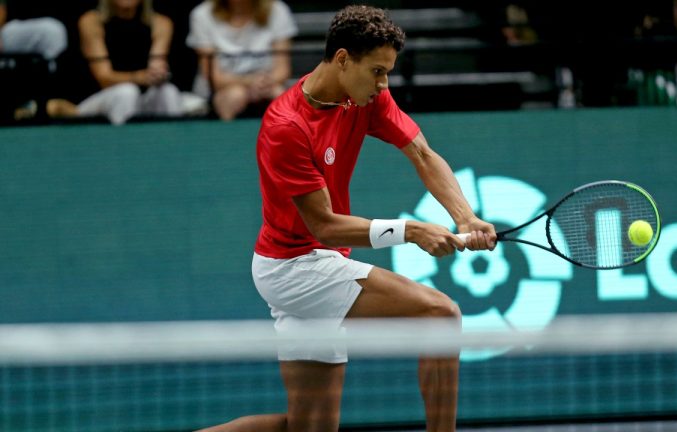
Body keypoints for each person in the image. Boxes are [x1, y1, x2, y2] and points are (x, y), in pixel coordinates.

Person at [197, 5, 496, 432]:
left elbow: (423, 154)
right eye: (377, 71)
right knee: (440, 315)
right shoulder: (287, 126)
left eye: (387, 72)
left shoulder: (365, 98)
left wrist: (465, 217)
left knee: (309, 426)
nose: (383, 83)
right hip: (296, 266)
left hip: (310, 262)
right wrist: (410, 231)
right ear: (342, 59)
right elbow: (324, 225)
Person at [48, 0, 182, 125]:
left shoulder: (161, 23)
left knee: (168, 91)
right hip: (96, 101)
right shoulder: (91, 21)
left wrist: (159, 74)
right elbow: (104, 78)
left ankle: (173, 145)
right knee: (126, 92)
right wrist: (140, 77)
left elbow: (156, 66)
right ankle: (124, 147)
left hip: (141, 101)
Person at [186, 0, 297, 120]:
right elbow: (214, 78)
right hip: (218, 91)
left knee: (279, 94)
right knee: (235, 95)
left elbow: (282, 71)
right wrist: (250, 82)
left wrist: (262, 83)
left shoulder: (277, 9)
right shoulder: (202, 14)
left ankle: (286, 136)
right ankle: (226, 135)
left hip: (267, 84)